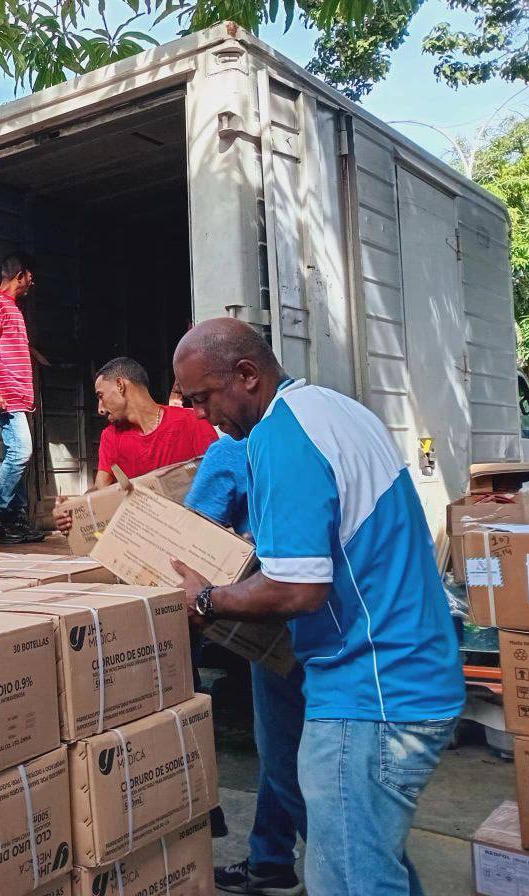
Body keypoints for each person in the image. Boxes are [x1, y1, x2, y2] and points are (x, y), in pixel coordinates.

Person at [171, 318, 464, 896]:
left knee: (351, 881)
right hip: (408, 676)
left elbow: (299, 588)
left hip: (372, 696)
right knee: (375, 864)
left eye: (202, 399)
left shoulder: (281, 437)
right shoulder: (336, 410)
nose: (201, 416)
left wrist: (205, 598)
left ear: (247, 375)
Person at [185, 436, 307, 896]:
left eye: (202, 397)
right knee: (290, 747)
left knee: (280, 750)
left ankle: (337, 861)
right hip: (326, 625)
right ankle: (271, 860)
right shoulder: (306, 440)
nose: (199, 412)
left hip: (269, 619)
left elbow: (195, 535)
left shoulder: (233, 449)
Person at [54, 357, 217, 534]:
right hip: (142, 538)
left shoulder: (192, 423)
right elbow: (100, 490)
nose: (100, 409)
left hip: (192, 535)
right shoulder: (110, 436)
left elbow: (217, 484)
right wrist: (73, 511)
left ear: (120, 385)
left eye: (101, 396)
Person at [0, 252, 45, 544]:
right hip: (5, 396)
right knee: (20, 453)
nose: (32, 282)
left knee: (16, 456)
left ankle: (16, 521)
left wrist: (28, 396)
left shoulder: (12, 307)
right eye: (30, 276)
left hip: (18, 397)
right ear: (20, 275)